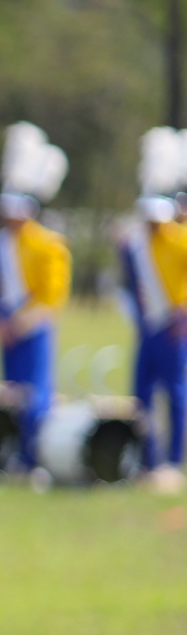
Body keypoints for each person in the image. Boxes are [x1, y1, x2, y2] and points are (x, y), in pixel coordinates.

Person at [0, 193, 71, 470]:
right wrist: (0, 322)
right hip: (8, 328)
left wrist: (23, 322)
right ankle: (13, 454)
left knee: (36, 395)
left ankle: (34, 458)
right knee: (10, 395)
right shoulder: (0, 242)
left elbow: (52, 295)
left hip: (34, 328)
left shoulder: (48, 243)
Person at [121, 195, 187, 491]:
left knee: (175, 394)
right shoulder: (136, 245)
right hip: (149, 328)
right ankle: (148, 458)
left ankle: (173, 461)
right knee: (141, 395)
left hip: (173, 327)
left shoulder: (181, 240)